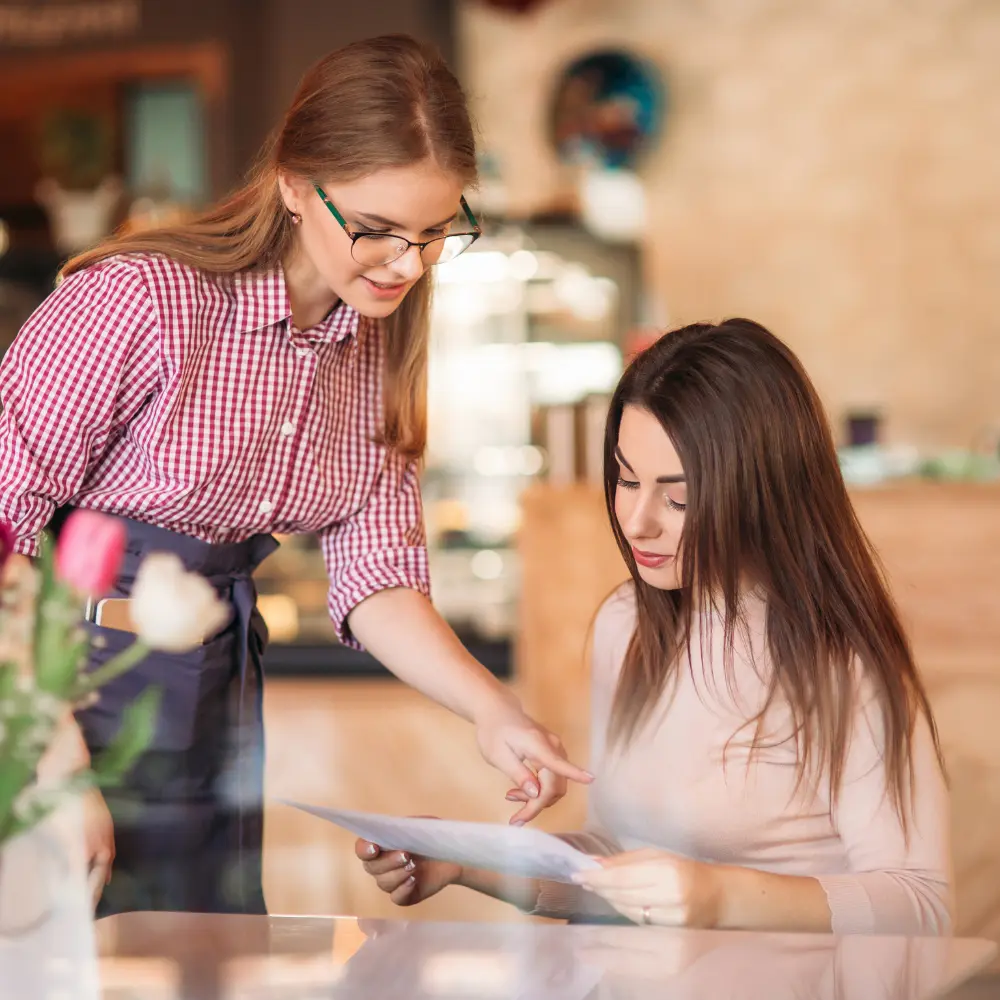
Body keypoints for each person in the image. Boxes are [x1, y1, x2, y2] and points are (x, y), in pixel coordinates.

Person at [0, 34, 589, 917]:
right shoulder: (142, 302)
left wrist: (494, 711)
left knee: (197, 952)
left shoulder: (378, 350)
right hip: (56, 695)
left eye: (435, 233)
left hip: (210, 700)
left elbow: (377, 574)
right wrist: (51, 768)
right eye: (377, 230)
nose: (407, 265)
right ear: (289, 183)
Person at [357, 319, 953, 935]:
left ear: (762, 491)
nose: (637, 522)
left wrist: (718, 896)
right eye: (625, 478)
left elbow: (920, 904)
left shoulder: (840, 658)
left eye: (679, 498)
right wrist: (466, 862)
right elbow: (616, 863)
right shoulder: (628, 623)